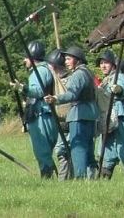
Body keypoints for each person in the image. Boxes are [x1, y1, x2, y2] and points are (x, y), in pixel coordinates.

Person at [44, 46, 99, 179]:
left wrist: (56, 98)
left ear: (77, 60)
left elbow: (71, 94)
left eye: (69, 59)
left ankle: (80, 177)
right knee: (89, 147)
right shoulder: (88, 72)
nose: (66, 62)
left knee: (77, 148)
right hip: (90, 114)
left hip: (79, 114)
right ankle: (93, 178)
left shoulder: (78, 74)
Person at [12, 40, 58, 178]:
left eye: (26, 57)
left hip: (41, 115)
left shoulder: (40, 71)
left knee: (42, 149)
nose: (24, 60)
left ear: (32, 58)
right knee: (42, 150)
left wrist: (22, 87)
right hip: (40, 113)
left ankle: (47, 176)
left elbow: (38, 91)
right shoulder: (40, 70)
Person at [95, 49, 124, 179]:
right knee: (107, 147)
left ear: (113, 65)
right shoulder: (106, 80)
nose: (103, 66)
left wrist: (118, 89)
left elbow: (122, 89)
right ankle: (105, 176)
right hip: (108, 117)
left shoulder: (118, 76)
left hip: (120, 116)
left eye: (106, 63)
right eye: (101, 63)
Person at [46, 48, 72, 181]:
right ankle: (65, 180)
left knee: (65, 151)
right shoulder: (53, 81)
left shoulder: (70, 79)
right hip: (60, 122)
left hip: (71, 120)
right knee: (62, 152)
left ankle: (66, 180)